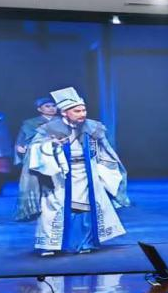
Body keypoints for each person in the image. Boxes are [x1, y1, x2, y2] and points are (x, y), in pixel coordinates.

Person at [26, 87, 128, 256]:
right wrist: (51, 145)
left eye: (84, 110)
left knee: (88, 208)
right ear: (64, 112)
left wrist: (106, 168)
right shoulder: (50, 129)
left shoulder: (93, 127)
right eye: (77, 111)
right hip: (60, 174)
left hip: (87, 173)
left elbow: (105, 151)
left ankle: (85, 243)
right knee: (55, 208)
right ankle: (52, 245)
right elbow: (35, 149)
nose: (82, 114)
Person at [13, 96, 58, 221]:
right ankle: (31, 210)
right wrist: (19, 146)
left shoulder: (62, 121)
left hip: (57, 155)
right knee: (32, 181)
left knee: (54, 181)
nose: (51, 108)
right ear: (39, 109)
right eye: (47, 106)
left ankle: (56, 209)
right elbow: (21, 139)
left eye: (53, 106)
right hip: (35, 154)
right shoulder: (30, 123)